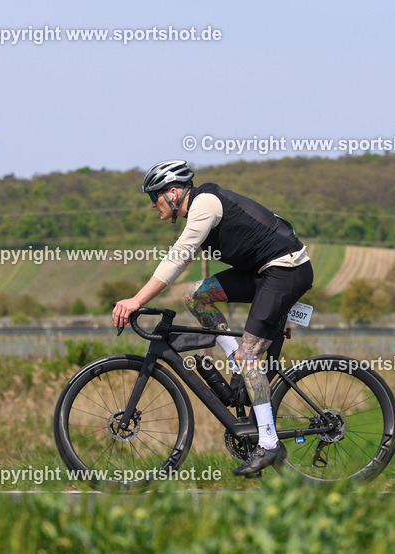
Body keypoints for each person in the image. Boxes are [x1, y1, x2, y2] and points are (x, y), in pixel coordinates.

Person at [112, 160, 313, 477]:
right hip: (264, 271)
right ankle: (237, 359)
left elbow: (178, 257)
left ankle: (271, 443)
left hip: (286, 269)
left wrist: (136, 300)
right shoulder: (196, 209)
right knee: (195, 295)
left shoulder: (204, 205)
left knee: (250, 357)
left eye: (155, 198)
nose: (153, 206)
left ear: (174, 192)